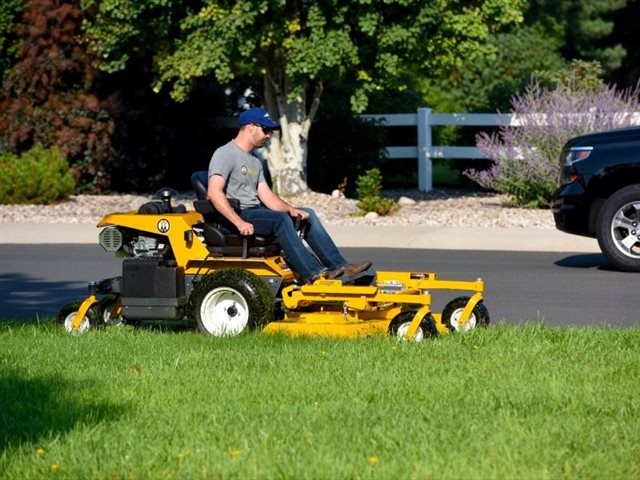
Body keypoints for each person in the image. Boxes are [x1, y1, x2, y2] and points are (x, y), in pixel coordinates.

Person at [207, 107, 372, 284]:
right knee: (280, 220)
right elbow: (214, 193)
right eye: (266, 129)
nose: (268, 135)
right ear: (251, 127)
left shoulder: (254, 160)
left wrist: (292, 210)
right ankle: (314, 274)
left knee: (307, 214)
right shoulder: (225, 153)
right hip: (239, 216)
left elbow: (267, 196)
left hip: (257, 212)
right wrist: (239, 222)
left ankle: (338, 265)